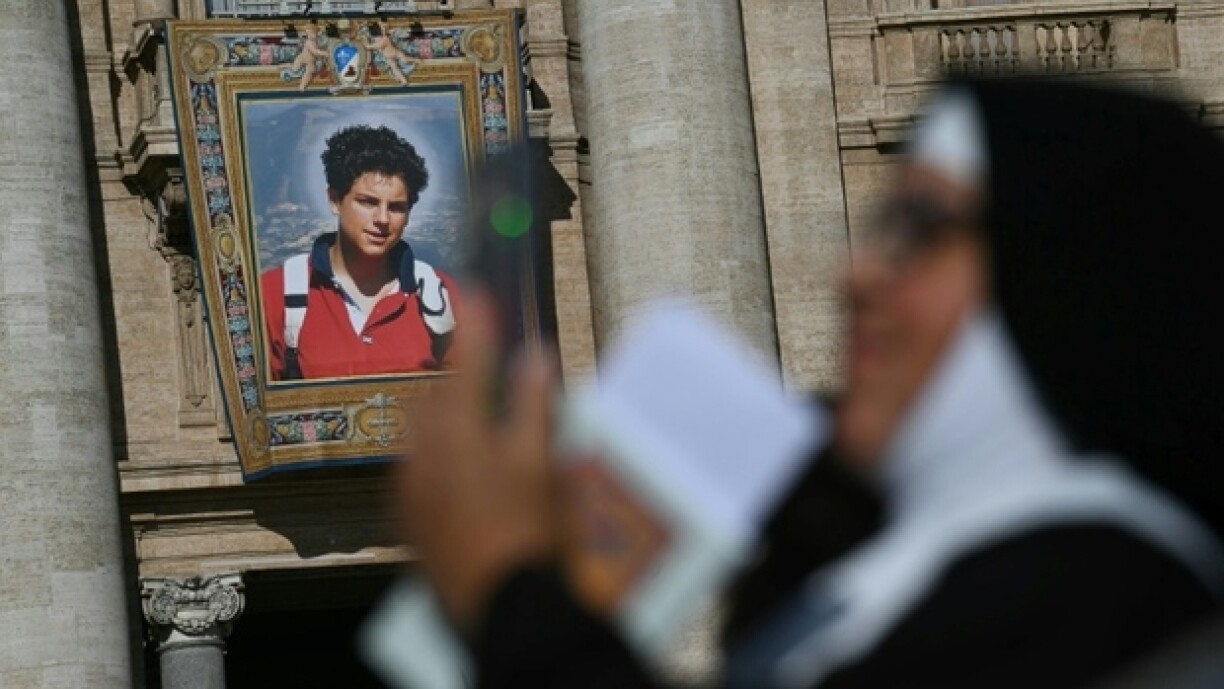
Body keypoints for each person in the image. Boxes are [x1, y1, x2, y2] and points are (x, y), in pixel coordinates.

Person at [397, 79, 1224, 687]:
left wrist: (511, 589)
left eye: (919, 227)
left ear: (1066, 264)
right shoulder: (913, 566)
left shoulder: (1093, 591)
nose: (855, 272)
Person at [262, 125, 458, 381]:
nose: (383, 219)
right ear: (335, 200)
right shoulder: (275, 294)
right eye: (368, 202)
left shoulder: (441, 295)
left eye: (396, 207)